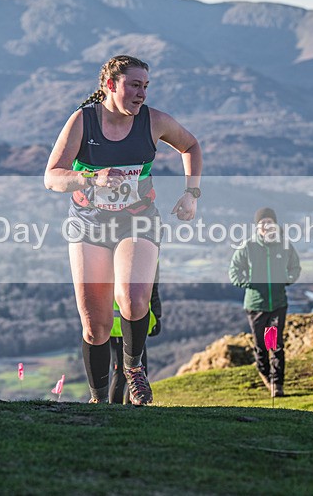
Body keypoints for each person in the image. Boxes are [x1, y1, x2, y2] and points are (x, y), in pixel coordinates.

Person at [44, 55, 202, 405]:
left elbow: (190, 145)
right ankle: (98, 400)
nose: (141, 93)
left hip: (138, 220)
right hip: (89, 224)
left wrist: (191, 193)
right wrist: (91, 178)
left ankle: (134, 370)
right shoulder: (83, 121)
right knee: (95, 325)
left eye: (145, 86)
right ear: (110, 85)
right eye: (134, 85)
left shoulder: (154, 121)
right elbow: (52, 177)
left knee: (133, 299)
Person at [228, 207, 301, 397]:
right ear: (257, 226)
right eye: (262, 223)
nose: (266, 226)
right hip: (256, 305)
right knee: (261, 345)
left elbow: (295, 267)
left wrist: (287, 279)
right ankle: (265, 374)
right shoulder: (248, 246)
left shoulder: (284, 245)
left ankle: (277, 384)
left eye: (269, 222)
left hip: (277, 304)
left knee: (275, 344)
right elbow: (234, 270)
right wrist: (249, 283)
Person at [109, 272, 162, 404]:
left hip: (136, 326)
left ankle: (133, 405)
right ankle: (114, 407)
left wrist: (156, 316)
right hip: (116, 328)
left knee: (139, 370)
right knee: (121, 372)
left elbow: (153, 289)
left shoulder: (150, 260)